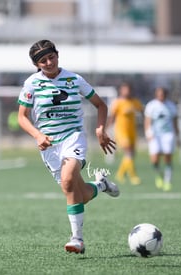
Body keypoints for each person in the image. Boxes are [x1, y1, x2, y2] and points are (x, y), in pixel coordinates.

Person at [17, 39, 119, 254]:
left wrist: (100, 130)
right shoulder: (31, 84)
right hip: (49, 146)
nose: (48, 62)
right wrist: (37, 135)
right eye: (43, 60)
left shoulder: (74, 79)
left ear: (57, 54)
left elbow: (101, 104)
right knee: (78, 194)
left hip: (73, 137)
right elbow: (22, 117)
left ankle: (77, 239)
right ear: (36, 64)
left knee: (68, 179)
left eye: (51, 57)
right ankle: (101, 185)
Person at [143, 87, 180, 191]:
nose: (161, 96)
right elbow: (147, 120)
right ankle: (159, 175)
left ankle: (168, 180)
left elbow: (175, 122)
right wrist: (148, 133)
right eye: (159, 94)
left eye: (163, 94)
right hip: (155, 135)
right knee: (154, 159)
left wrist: (178, 136)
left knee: (167, 156)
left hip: (168, 134)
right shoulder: (151, 105)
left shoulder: (171, 106)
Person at [107, 82, 144, 185]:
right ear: (121, 90)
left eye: (128, 89)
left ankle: (120, 174)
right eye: (124, 89)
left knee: (132, 154)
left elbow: (142, 111)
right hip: (121, 132)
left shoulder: (134, 102)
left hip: (132, 131)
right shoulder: (118, 102)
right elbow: (112, 116)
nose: (127, 91)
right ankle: (133, 176)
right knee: (129, 153)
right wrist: (107, 128)